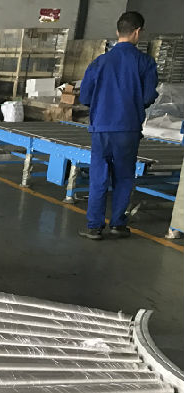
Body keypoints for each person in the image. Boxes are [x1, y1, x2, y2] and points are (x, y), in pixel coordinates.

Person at [78, 10, 158, 240]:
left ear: (117, 31)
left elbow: (85, 97)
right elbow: (148, 96)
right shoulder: (145, 62)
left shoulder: (99, 62)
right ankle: (118, 224)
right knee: (123, 177)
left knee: (99, 176)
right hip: (128, 129)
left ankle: (94, 226)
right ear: (138, 32)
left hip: (101, 129)